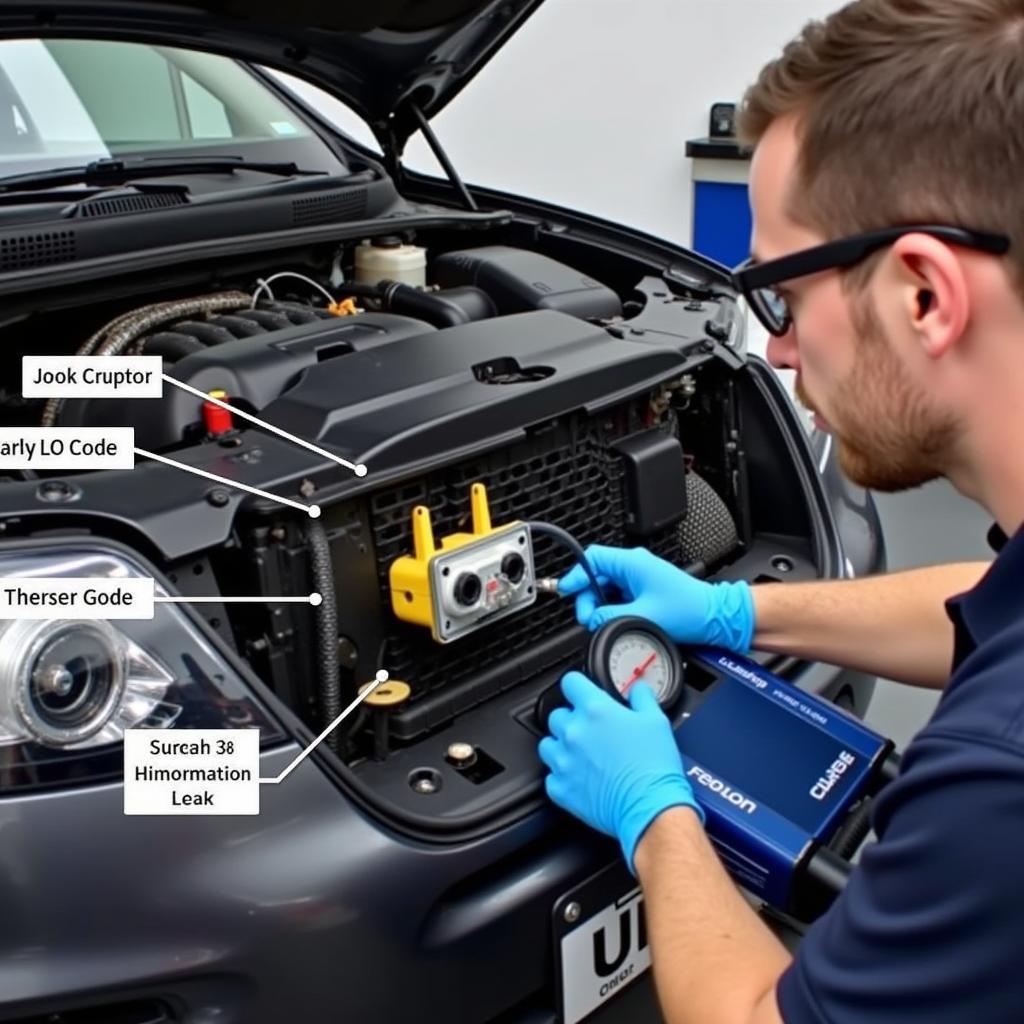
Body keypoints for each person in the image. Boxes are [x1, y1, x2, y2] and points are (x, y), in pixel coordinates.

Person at [537, 2, 1024, 1021]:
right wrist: (737, 617)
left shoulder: (992, 786)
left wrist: (655, 815)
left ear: (923, 295)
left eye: (781, 297)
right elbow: (990, 603)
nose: (780, 352)